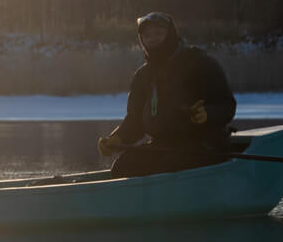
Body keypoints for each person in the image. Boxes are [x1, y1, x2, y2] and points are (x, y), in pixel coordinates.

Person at [98, 12, 237, 179]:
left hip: (205, 145)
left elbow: (227, 105)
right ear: (142, 40)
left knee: (170, 164)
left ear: (171, 35)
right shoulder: (143, 76)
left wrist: (207, 114)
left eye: (158, 33)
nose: (153, 39)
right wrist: (117, 139)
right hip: (165, 146)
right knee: (124, 166)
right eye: (147, 35)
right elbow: (135, 120)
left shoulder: (199, 62)